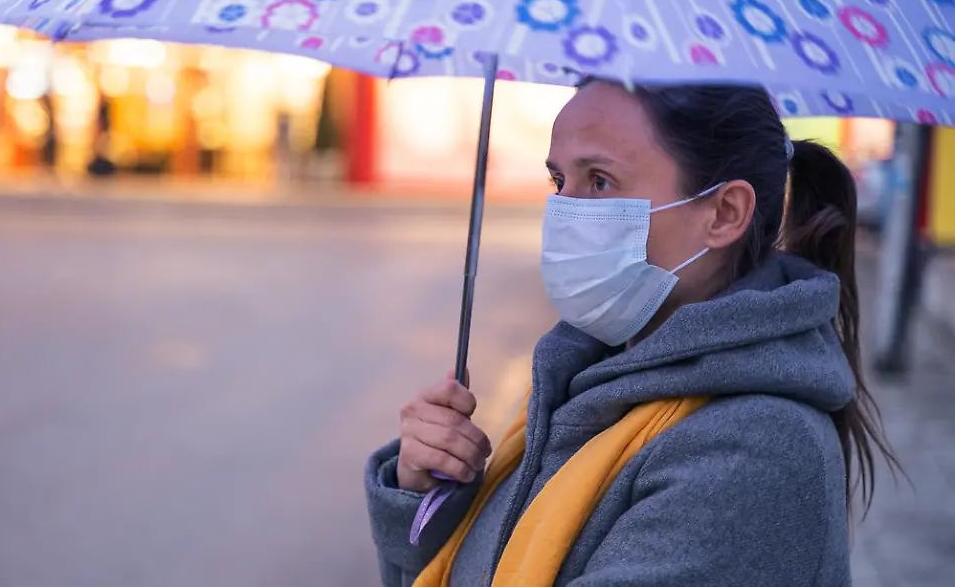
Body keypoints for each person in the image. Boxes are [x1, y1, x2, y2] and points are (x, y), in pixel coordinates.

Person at [365, 80, 897, 586]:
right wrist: (426, 496)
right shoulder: (585, 382)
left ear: (724, 213)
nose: (566, 210)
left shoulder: (751, 453)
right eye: (559, 181)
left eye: (599, 181)